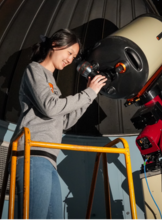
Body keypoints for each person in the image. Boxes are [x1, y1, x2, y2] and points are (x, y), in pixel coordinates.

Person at [10, 29, 107, 222]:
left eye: (74, 56)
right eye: (69, 53)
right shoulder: (34, 70)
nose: (71, 60)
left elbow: (64, 121)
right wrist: (88, 94)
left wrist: (90, 95)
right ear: (55, 45)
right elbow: (50, 108)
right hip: (32, 155)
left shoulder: (54, 85)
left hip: (49, 159)